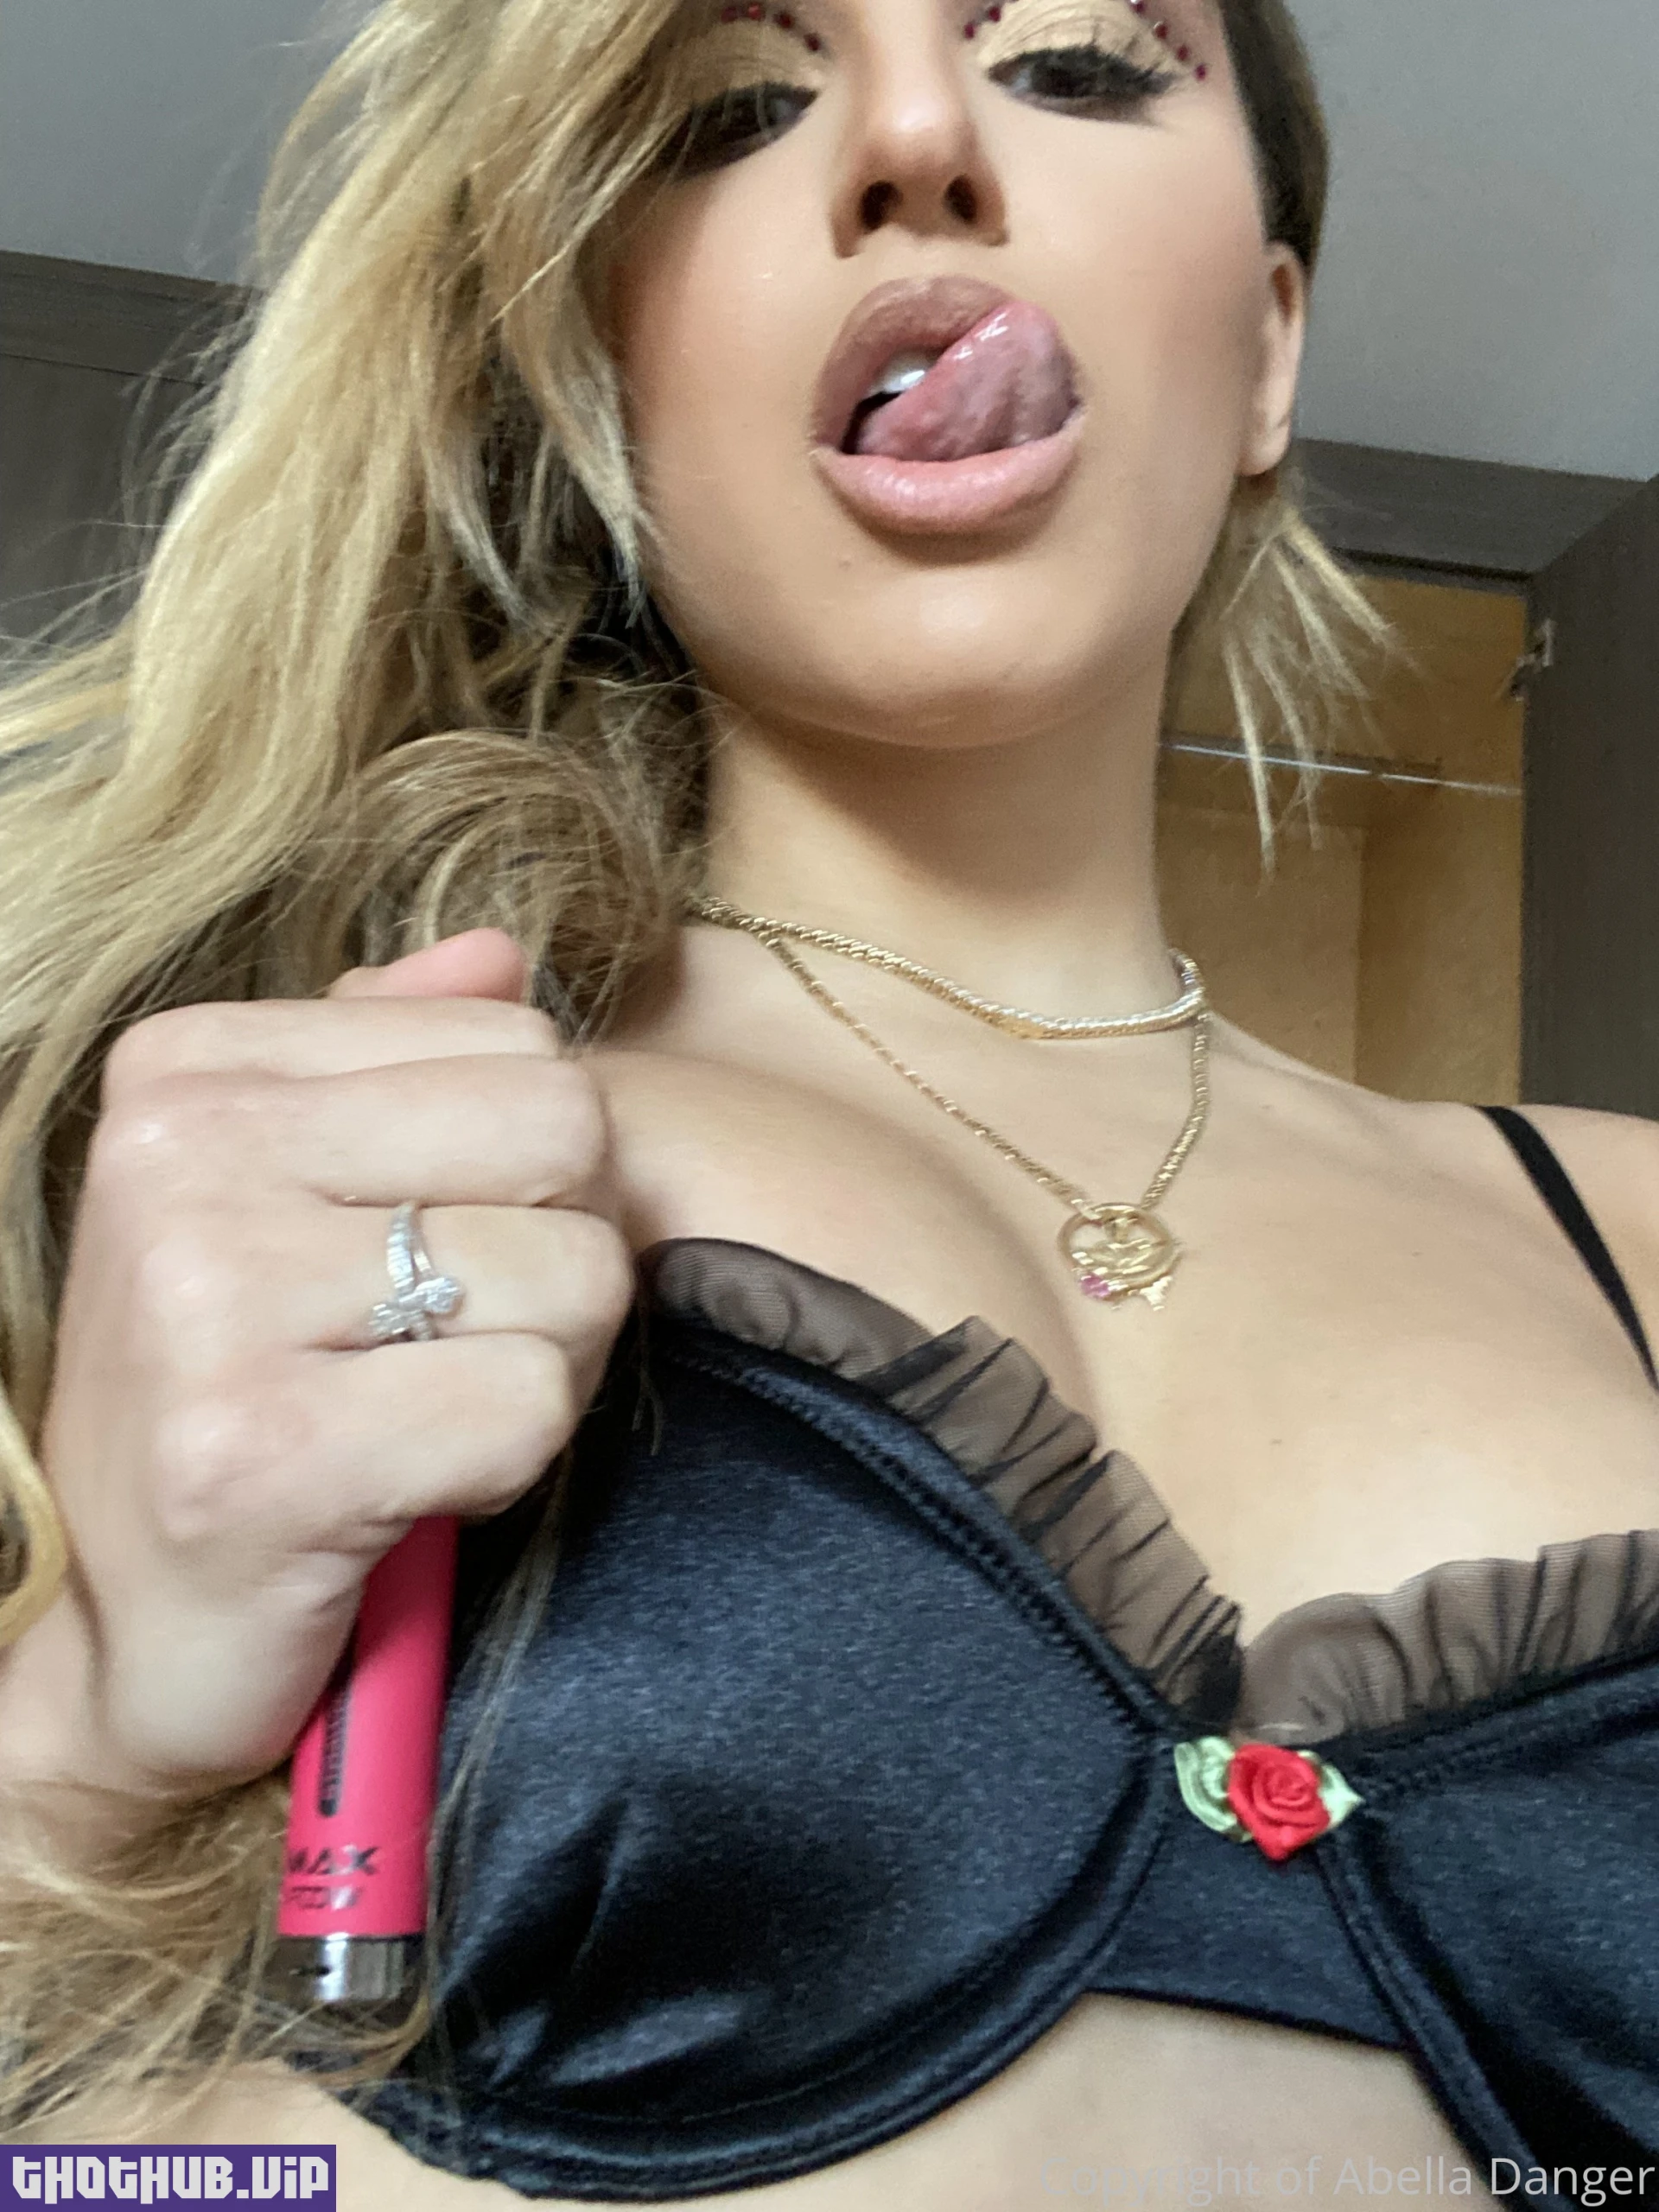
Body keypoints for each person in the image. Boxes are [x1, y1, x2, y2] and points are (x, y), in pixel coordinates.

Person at [1, 0, 1656, 2203]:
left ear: (1271, 348)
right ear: (594, 377)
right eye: (736, 111)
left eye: (1077, 59)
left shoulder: (1635, 1239)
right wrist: (81, 1733)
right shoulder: (261, 1162)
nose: (913, 136)